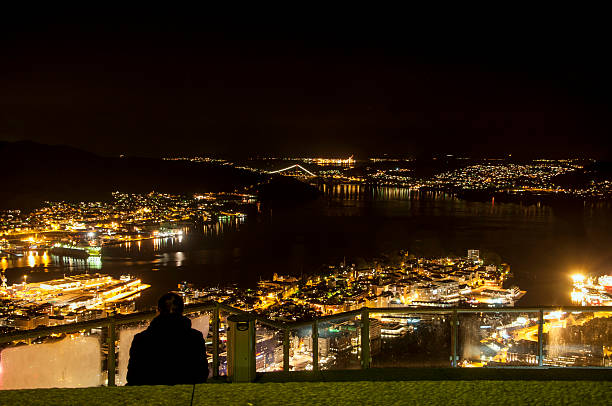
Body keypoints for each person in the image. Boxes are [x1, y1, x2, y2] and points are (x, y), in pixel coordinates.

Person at [126, 292, 208, 385]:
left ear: (158, 311)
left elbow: (132, 377)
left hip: (150, 393)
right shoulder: (195, 338)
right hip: (186, 392)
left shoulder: (141, 339)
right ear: (182, 312)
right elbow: (202, 374)